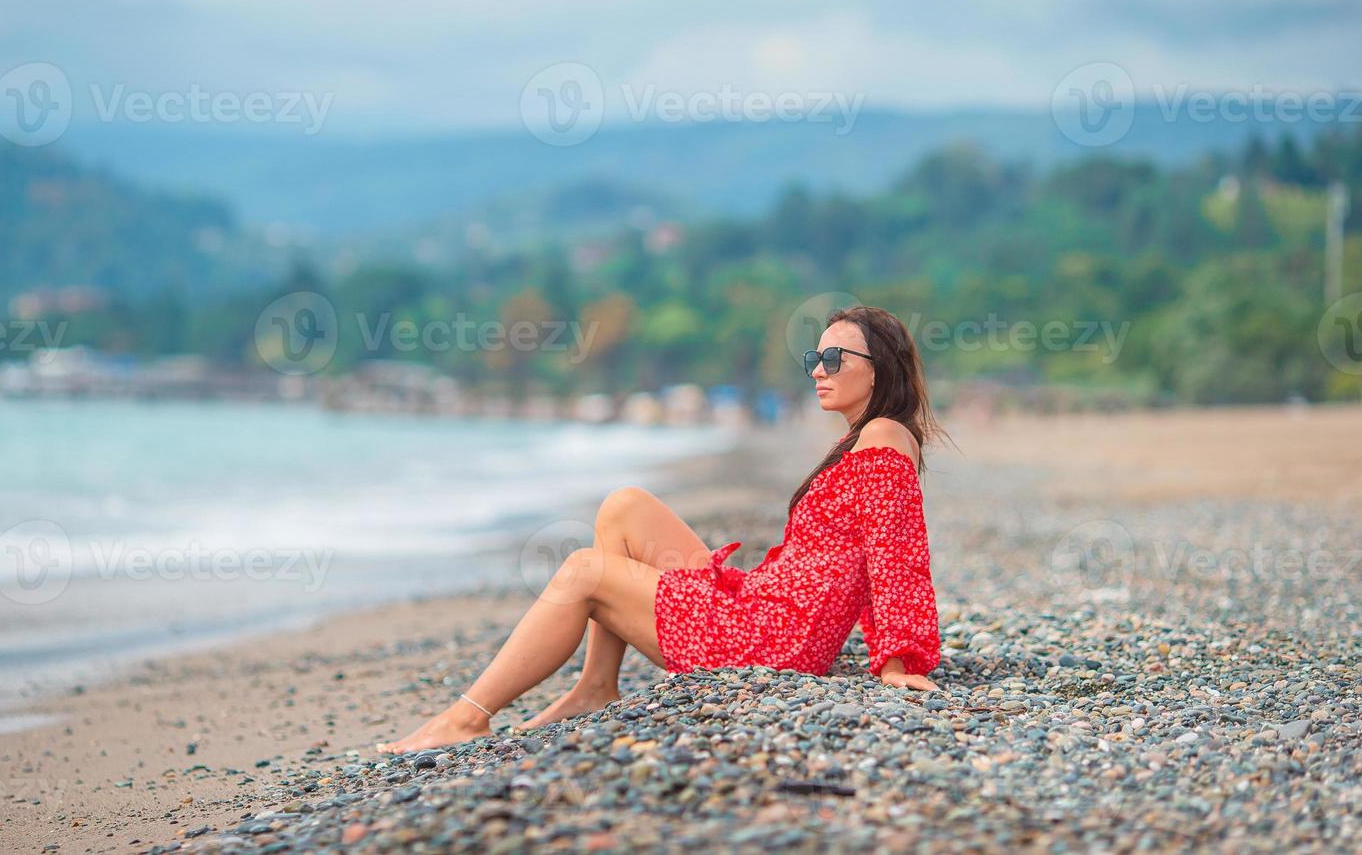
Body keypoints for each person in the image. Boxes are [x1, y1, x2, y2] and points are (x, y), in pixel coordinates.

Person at [381, 305, 946, 753]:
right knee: (624, 507)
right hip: (764, 606)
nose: (818, 371)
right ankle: (596, 686)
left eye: (834, 359)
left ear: (881, 367)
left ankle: (465, 717)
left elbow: (896, 555)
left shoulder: (885, 438)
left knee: (583, 571)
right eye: (813, 358)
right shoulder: (862, 438)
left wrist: (899, 661)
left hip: (772, 639)